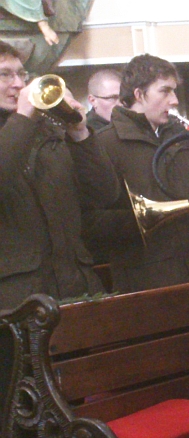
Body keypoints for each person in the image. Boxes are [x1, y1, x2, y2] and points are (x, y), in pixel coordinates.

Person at [82, 53, 189, 293]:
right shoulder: (103, 144)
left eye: (174, 91)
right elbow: (92, 220)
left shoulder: (183, 139)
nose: (174, 100)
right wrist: (143, 220)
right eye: (165, 91)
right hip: (145, 277)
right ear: (139, 94)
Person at [0, 39, 117, 309]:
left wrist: (80, 134)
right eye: (5, 74)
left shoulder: (47, 128)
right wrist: (23, 116)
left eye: (21, 74)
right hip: (16, 299)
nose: (18, 84)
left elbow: (104, 195)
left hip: (76, 284)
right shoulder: (24, 122)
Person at [84, 68, 120, 133]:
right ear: (93, 101)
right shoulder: (85, 132)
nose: (121, 104)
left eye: (123, 97)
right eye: (112, 98)